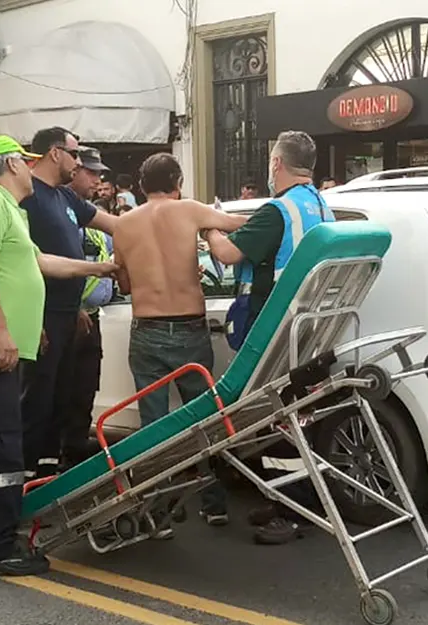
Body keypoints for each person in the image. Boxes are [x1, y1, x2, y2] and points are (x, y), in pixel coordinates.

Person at [0, 135, 118, 577]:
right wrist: (2, 331)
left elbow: (40, 264)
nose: (29, 169)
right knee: (2, 448)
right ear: (12, 165)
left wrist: (100, 268)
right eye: (25, 161)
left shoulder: (11, 210)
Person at [204, 130, 335, 545]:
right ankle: (286, 501)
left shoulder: (278, 210)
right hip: (310, 328)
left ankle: (294, 512)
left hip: (277, 331)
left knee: (282, 423)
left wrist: (209, 226)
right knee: (298, 420)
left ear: (277, 163)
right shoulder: (321, 206)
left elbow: (227, 254)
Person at [112, 153, 247, 529]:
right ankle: (214, 505)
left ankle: (158, 512)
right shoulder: (190, 210)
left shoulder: (123, 224)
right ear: (178, 182)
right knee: (204, 419)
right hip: (189, 330)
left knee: (154, 426)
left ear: (141, 186)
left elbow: (125, 284)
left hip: (147, 330)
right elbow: (242, 224)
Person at [19, 127, 120, 480]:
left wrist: (167, 220)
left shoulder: (65, 197)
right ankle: (25, 480)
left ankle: (50, 476)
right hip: (41, 317)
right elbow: (24, 263)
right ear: (55, 152)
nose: (78, 163)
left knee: (61, 402)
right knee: (37, 402)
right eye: (74, 154)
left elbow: (114, 224)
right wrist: (32, 320)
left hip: (67, 315)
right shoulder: (26, 196)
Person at [65, 147, 114, 471]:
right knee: (62, 395)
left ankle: (75, 454)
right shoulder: (57, 213)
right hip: (67, 318)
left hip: (93, 319)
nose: (97, 180)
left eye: (100, 174)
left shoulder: (91, 218)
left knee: (84, 392)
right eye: (91, 172)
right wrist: (74, 306)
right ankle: (56, 462)